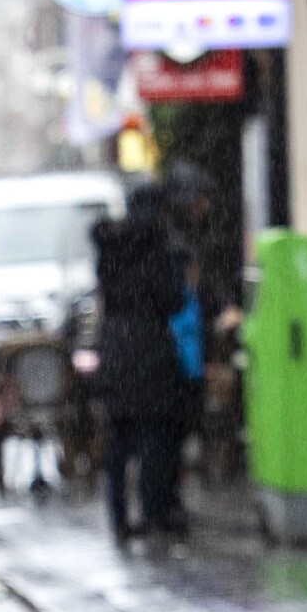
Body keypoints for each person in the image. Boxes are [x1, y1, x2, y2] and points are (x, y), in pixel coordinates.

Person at [94, 185, 193, 544]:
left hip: (116, 349)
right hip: (149, 349)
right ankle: (154, 512)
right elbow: (171, 301)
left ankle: (119, 516)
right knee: (154, 433)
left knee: (118, 439)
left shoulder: (110, 247)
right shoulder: (155, 247)